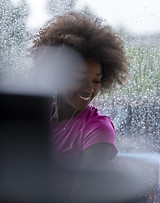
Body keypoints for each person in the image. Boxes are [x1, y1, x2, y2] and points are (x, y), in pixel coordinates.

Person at [30, 12, 128, 169]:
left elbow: (86, 191)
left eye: (96, 80)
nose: (90, 89)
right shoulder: (39, 118)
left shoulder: (98, 128)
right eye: (79, 78)